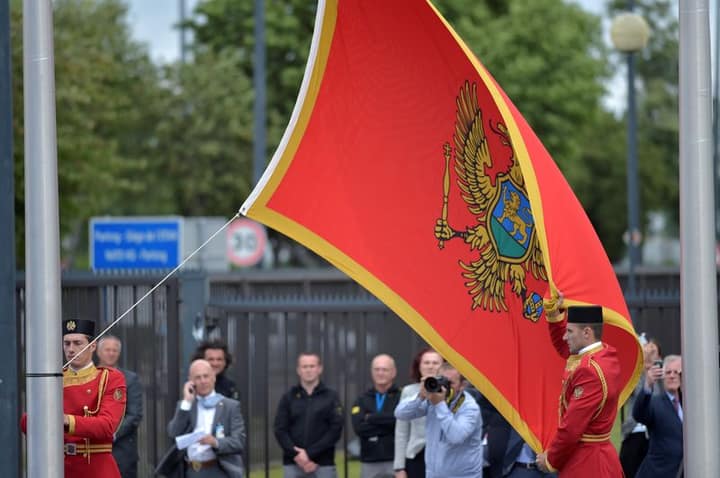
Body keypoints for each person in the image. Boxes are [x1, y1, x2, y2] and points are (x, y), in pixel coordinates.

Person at [22, 319, 127, 477]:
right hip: (58, 467)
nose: (71, 349)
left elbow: (107, 426)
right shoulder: (53, 379)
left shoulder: (108, 378)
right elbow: (28, 422)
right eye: (67, 343)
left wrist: (66, 420)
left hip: (96, 468)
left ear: (92, 346)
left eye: (78, 343)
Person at [536, 303, 623, 477]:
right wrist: (555, 315)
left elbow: (572, 428)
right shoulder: (604, 355)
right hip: (600, 457)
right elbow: (564, 348)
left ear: (587, 333)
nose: (565, 337)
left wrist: (550, 460)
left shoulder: (588, 370)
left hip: (587, 464)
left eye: (569, 331)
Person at [394, 362, 484, 478]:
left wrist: (440, 405)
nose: (444, 387)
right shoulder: (433, 399)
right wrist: (420, 396)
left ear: (462, 385)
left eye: (450, 383)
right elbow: (400, 414)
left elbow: (456, 436)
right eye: (441, 380)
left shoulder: (470, 408)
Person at [166, 359, 246, 477]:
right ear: (191, 381)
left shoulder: (230, 406)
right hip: (191, 470)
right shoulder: (186, 405)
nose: (203, 381)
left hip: (218, 470)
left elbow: (238, 441)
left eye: (206, 376)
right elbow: (173, 433)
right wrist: (187, 402)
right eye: (198, 377)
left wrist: (215, 442)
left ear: (213, 377)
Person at [274, 353, 344, 477]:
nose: (308, 370)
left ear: (319, 369)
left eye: (312, 366)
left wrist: (309, 454)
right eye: (304, 366)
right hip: (293, 463)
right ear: (298, 370)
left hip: (323, 464)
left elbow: (335, 430)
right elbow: (280, 429)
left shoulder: (331, 396)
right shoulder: (288, 397)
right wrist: (297, 455)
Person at [96, 335, 144, 478]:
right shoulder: (89, 376)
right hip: (92, 452)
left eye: (115, 350)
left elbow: (134, 415)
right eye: (107, 350)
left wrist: (110, 433)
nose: (111, 353)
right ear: (98, 352)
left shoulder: (130, 379)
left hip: (121, 453)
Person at [393, 348, 443, 478]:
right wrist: (399, 467)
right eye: (426, 362)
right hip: (416, 454)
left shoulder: (449, 391)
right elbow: (401, 432)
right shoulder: (409, 391)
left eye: (435, 363)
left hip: (443, 456)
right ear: (419, 366)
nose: (430, 366)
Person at [632, 355, 683, 478]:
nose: (672, 376)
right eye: (668, 372)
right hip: (658, 472)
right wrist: (648, 385)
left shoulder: (692, 405)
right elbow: (639, 413)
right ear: (663, 376)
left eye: (676, 372)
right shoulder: (655, 403)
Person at [351, 354, 401, 478]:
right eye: (377, 369)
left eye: (384, 369)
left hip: (396, 460)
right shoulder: (362, 399)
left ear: (393, 372)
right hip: (369, 460)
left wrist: (370, 418)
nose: (380, 373)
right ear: (372, 372)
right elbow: (359, 428)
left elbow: (400, 422)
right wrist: (389, 424)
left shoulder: (402, 396)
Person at [619, 337, 662, 478]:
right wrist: (642, 364)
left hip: (655, 435)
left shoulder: (664, 376)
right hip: (635, 431)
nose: (649, 354)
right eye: (647, 350)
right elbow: (628, 390)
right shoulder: (636, 375)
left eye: (653, 351)